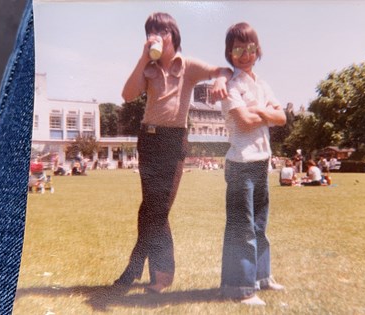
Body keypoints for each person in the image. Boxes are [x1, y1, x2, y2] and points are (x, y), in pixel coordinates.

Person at [112, 12, 231, 293]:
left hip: (173, 140)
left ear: (172, 35)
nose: (153, 37)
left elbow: (222, 70)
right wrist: (143, 59)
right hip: (149, 139)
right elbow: (127, 95)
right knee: (149, 210)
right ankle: (157, 274)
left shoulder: (188, 65)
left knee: (158, 209)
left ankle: (138, 268)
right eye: (149, 32)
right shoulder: (149, 67)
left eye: (159, 31)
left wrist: (219, 81)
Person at [220, 22, 286, 306]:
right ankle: (240, 287)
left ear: (257, 51)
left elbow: (282, 117)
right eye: (238, 49)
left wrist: (258, 109)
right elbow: (244, 123)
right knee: (241, 227)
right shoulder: (229, 86)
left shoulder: (262, 84)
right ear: (229, 53)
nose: (245, 55)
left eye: (250, 49)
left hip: (261, 162)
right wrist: (266, 112)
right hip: (240, 164)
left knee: (260, 225)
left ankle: (261, 276)